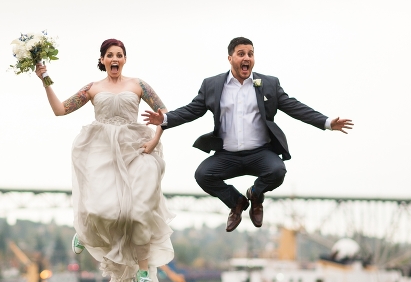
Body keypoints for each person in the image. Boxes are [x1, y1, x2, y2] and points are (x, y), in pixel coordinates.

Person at [142, 37, 353, 232]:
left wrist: (326, 122)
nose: (247, 58)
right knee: (203, 175)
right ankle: (237, 203)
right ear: (230, 58)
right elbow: (192, 109)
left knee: (278, 171)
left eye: (250, 54)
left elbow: (293, 106)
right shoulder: (212, 85)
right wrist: (166, 120)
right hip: (228, 155)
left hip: (260, 153)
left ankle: (255, 195)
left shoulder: (268, 84)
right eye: (241, 53)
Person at [36, 38, 174, 282]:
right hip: (101, 151)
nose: (114, 59)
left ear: (124, 60)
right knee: (101, 210)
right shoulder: (92, 88)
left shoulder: (139, 85)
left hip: (136, 150)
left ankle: (143, 276)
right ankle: (85, 229)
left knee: (138, 214)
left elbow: (165, 113)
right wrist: (45, 79)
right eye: (109, 55)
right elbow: (60, 110)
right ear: (102, 60)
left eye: (119, 55)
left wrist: (155, 139)